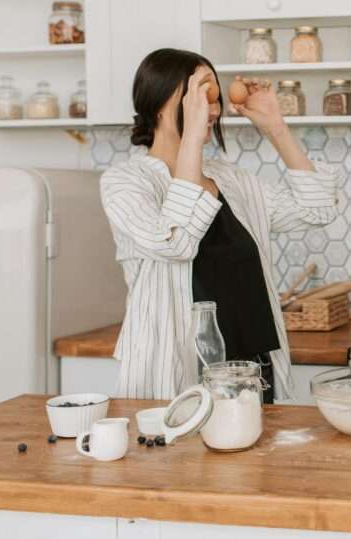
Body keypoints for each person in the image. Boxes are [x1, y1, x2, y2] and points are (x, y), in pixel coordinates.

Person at [101, 48, 338, 401]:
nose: (213, 108)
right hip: (176, 377)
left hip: (252, 374)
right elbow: (176, 242)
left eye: (214, 97)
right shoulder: (125, 183)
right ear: (162, 103)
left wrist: (276, 126)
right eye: (202, 95)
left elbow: (317, 209)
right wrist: (192, 140)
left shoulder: (230, 179)